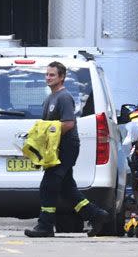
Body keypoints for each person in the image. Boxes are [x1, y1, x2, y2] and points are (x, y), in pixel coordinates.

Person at [24, 61, 110, 237]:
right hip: (54, 148)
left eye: (52, 75)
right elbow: (47, 125)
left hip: (66, 147)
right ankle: (96, 215)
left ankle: (45, 226)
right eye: (46, 74)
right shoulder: (49, 98)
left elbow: (68, 124)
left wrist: (47, 133)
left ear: (62, 77)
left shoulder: (64, 97)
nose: (48, 78)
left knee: (47, 186)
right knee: (67, 189)